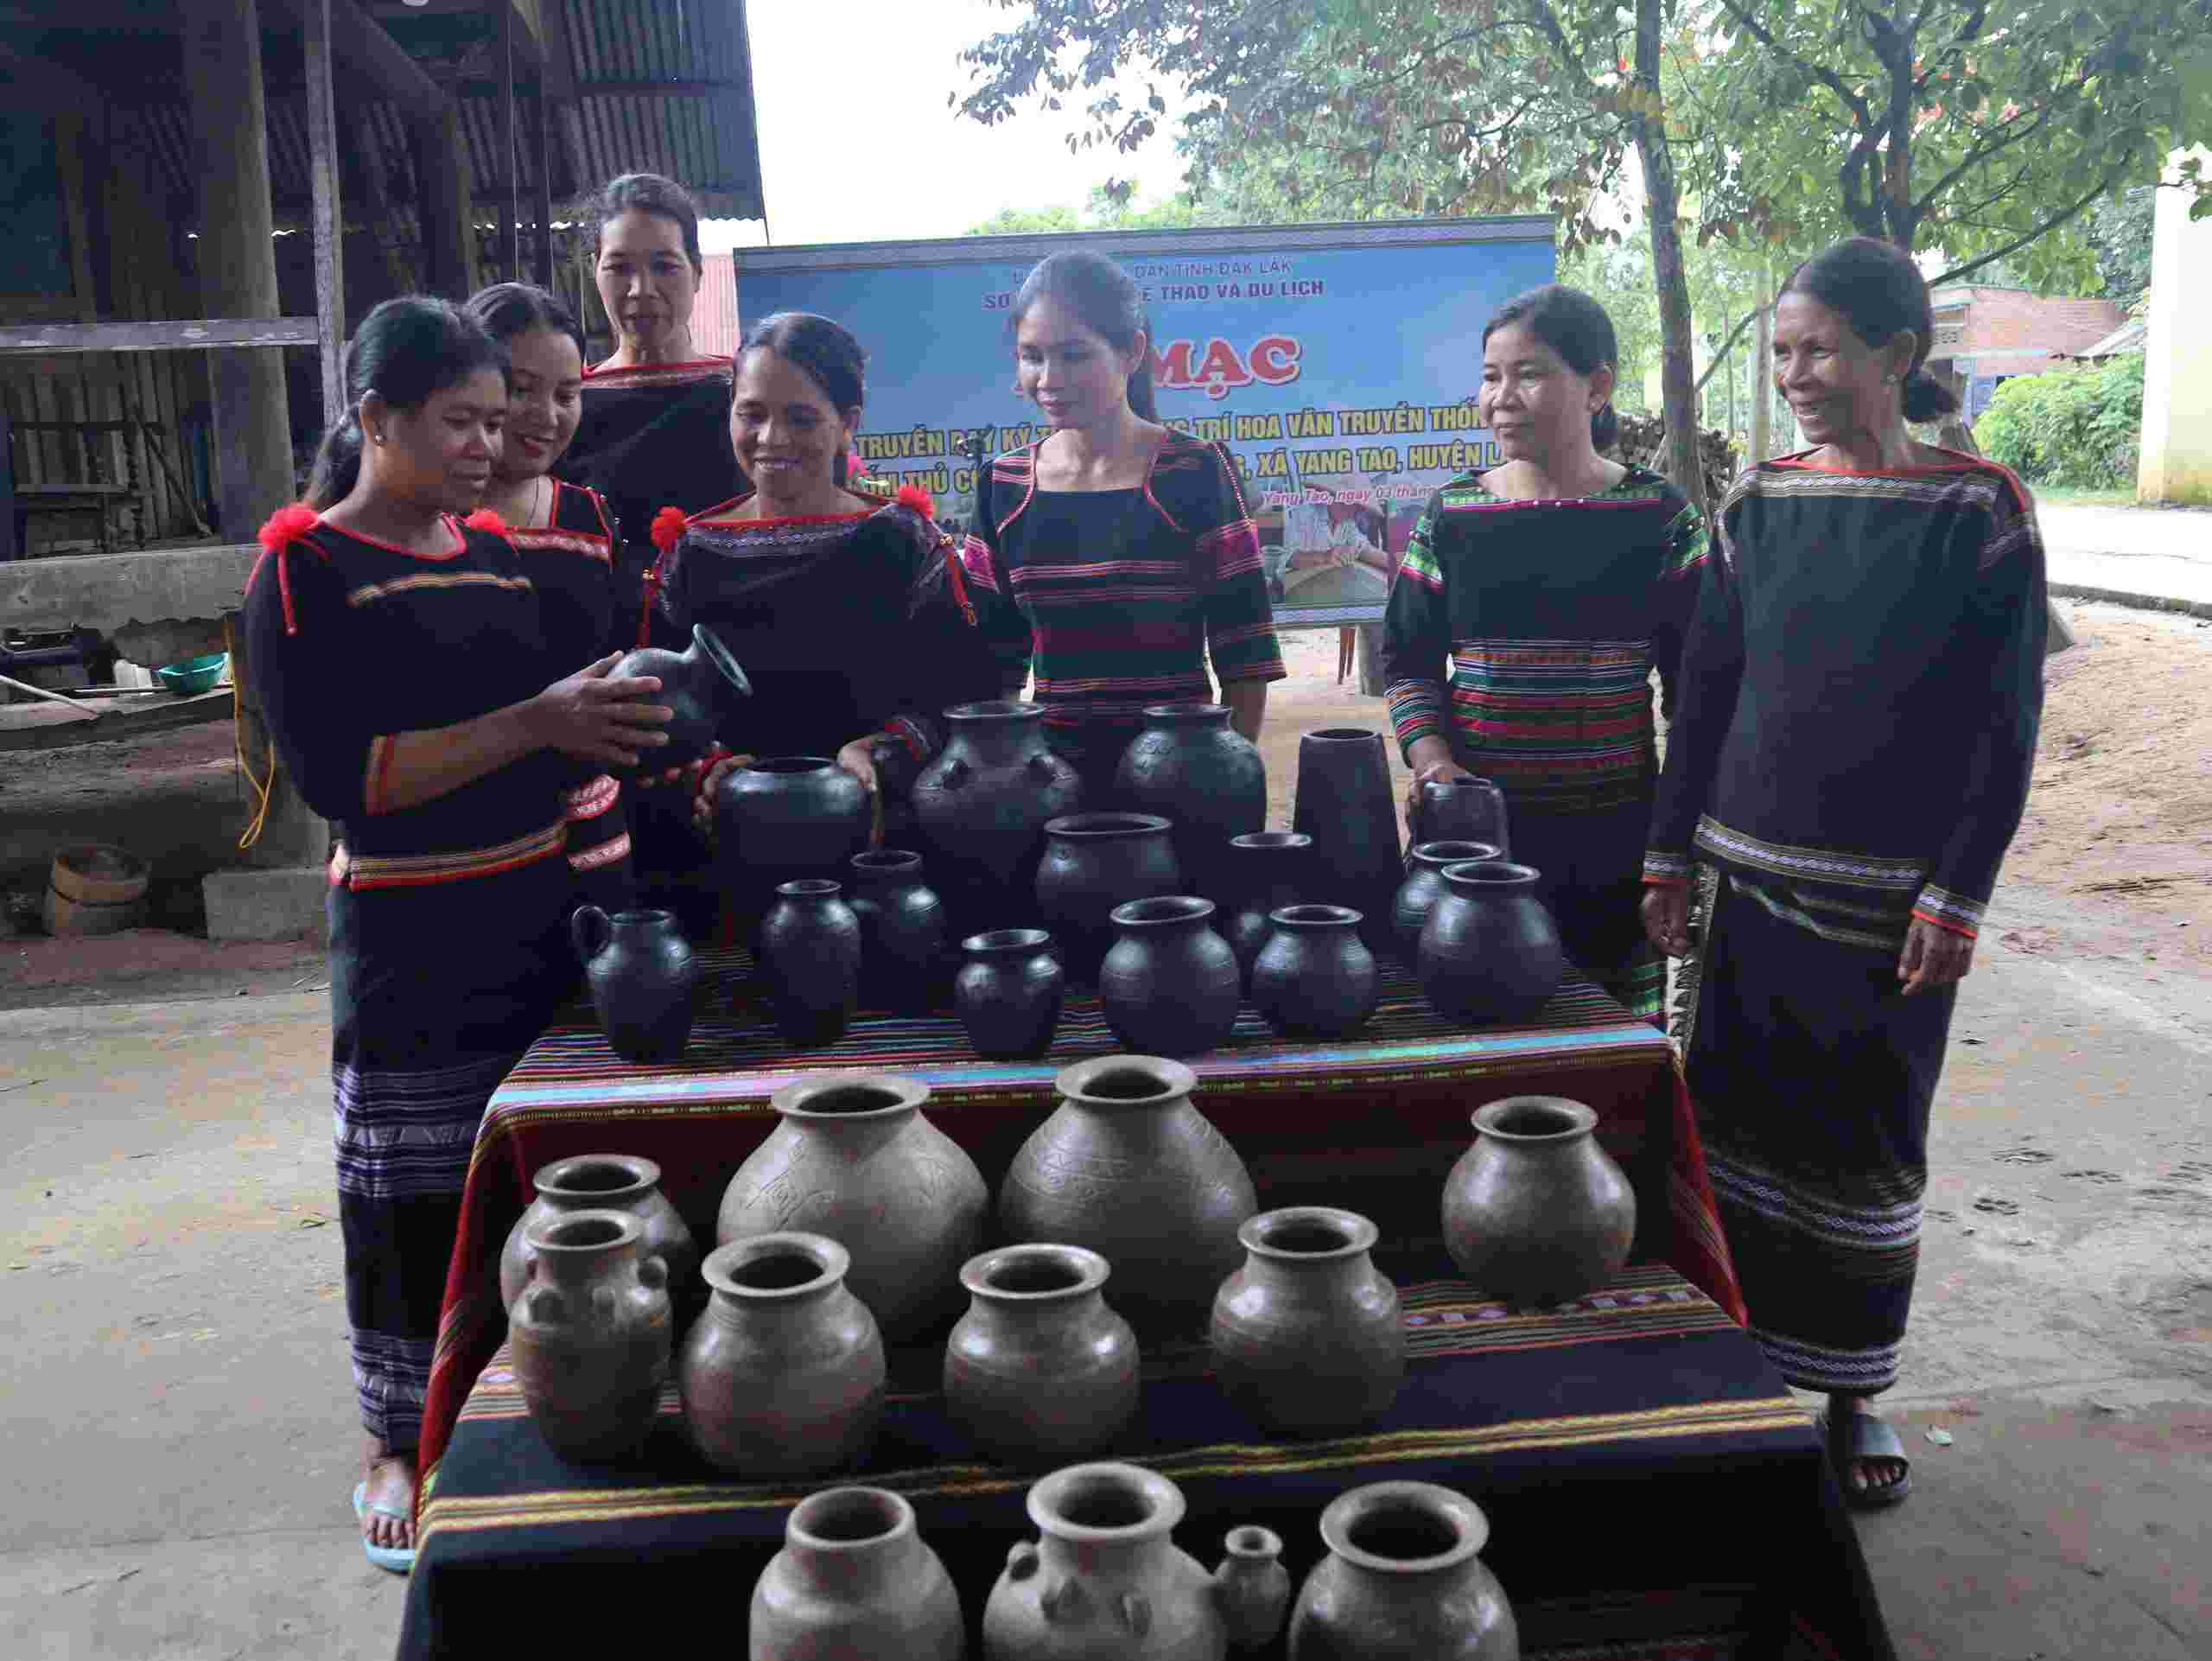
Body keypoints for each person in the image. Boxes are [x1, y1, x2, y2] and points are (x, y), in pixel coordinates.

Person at [243, 297, 672, 1570]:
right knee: (409, 1197)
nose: (490, 444)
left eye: (499, 420)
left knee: (537, 1184)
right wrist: (538, 721)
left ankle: (538, 1392)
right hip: (408, 935)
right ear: (377, 418)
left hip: (534, 916)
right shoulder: (305, 572)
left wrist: (609, 716)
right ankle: (392, 1439)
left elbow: (555, 714)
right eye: (461, 421)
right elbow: (346, 778)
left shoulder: (489, 552)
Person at [1640, 236, 2046, 1506]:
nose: (1795, 374)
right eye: (1782, 352)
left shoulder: (1980, 511)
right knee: (1735, 1132)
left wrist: (1958, 894)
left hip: (1888, 908)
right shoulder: (1757, 504)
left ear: (1896, 354)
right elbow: (1705, 693)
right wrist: (1667, 854)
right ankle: (1745, 1371)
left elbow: (2003, 726)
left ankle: (1855, 1388)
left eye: (1819, 350)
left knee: (1865, 1140)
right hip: (1744, 891)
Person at [1377, 283, 1706, 1021]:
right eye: (1490, 377)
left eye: (1528, 374)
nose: (1501, 398)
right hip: (1472, 848)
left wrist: (1671, 851)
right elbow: (1407, 663)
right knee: (1481, 1033)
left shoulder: (1658, 516)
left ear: (1597, 386)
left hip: (1616, 842)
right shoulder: (1453, 515)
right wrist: (1434, 764)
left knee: (1608, 1042)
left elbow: (1698, 694)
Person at [660, 312, 1005, 920]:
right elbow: (655, 708)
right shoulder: (693, 552)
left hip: (887, 865)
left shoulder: (902, 542)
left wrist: (883, 753)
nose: (771, 438)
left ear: (848, 423)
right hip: (729, 861)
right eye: (751, 413)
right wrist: (706, 767)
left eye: (801, 418)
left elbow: (965, 695)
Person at [959, 251, 1286, 799]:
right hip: (1048, 787)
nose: (1049, 379)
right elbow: (991, 662)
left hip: (1181, 780)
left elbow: (1245, 652)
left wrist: (1228, 777)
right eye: (1031, 356)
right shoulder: (1003, 485)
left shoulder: (1196, 470)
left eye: (1073, 355)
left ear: (1132, 352)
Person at [467, 281, 633, 912]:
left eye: (567, 395)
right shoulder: (418, 525)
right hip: (464, 858)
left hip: (593, 850)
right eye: (521, 389)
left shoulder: (590, 519)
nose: (547, 415)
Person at [561, 171, 747, 623]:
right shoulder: (564, 408)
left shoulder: (746, 395)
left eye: (664, 266)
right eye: (619, 267)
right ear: (594, 271)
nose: (641, 290)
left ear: (697, 272)